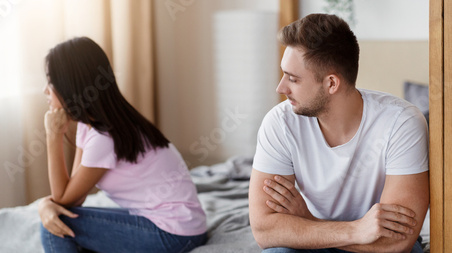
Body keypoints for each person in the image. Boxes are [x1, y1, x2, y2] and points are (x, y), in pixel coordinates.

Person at [249, 14, 429, 253]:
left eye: (293, 79)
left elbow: (397, 241)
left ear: (332, 83)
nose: (281, 88)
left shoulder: (401, 123)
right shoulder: (280, 122)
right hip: (323, 240)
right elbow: (265, 231)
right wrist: (355, 231)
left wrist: (308, 223)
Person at [37, 37, 207, 253]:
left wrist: (53, 136)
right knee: (62, 220)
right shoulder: (93, 125)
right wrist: (52, 203)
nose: (45, 90)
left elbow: (63, 199)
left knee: (54, 227)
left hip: (174, 234)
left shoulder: (103, 137)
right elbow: (73, 197)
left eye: (51, 82)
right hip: (183, 228)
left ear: (71, 84)